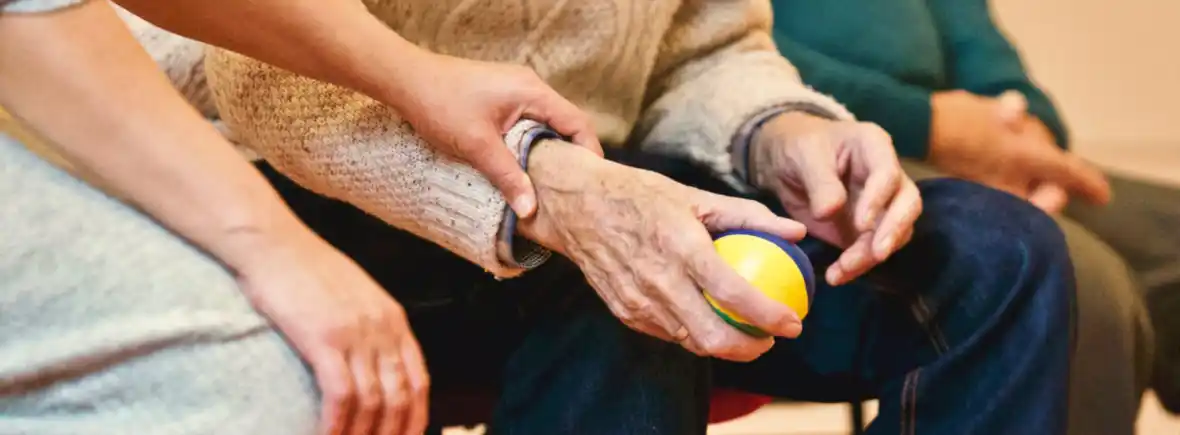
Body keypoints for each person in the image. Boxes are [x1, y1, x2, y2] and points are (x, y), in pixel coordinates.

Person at [4, 2, 1079, 435]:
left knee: (997, 256)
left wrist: (781, 132)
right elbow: (265, 82)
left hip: (605, 179)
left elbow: (708, 46)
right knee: (620, 286)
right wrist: (548, 192)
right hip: (309, 189)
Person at [767, 0, 1179, 428]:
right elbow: (730, 57)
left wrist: (1029, 134)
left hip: (971, 149)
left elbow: (986, 53)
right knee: (1053, 265)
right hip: (814, 148)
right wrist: (931, 126)